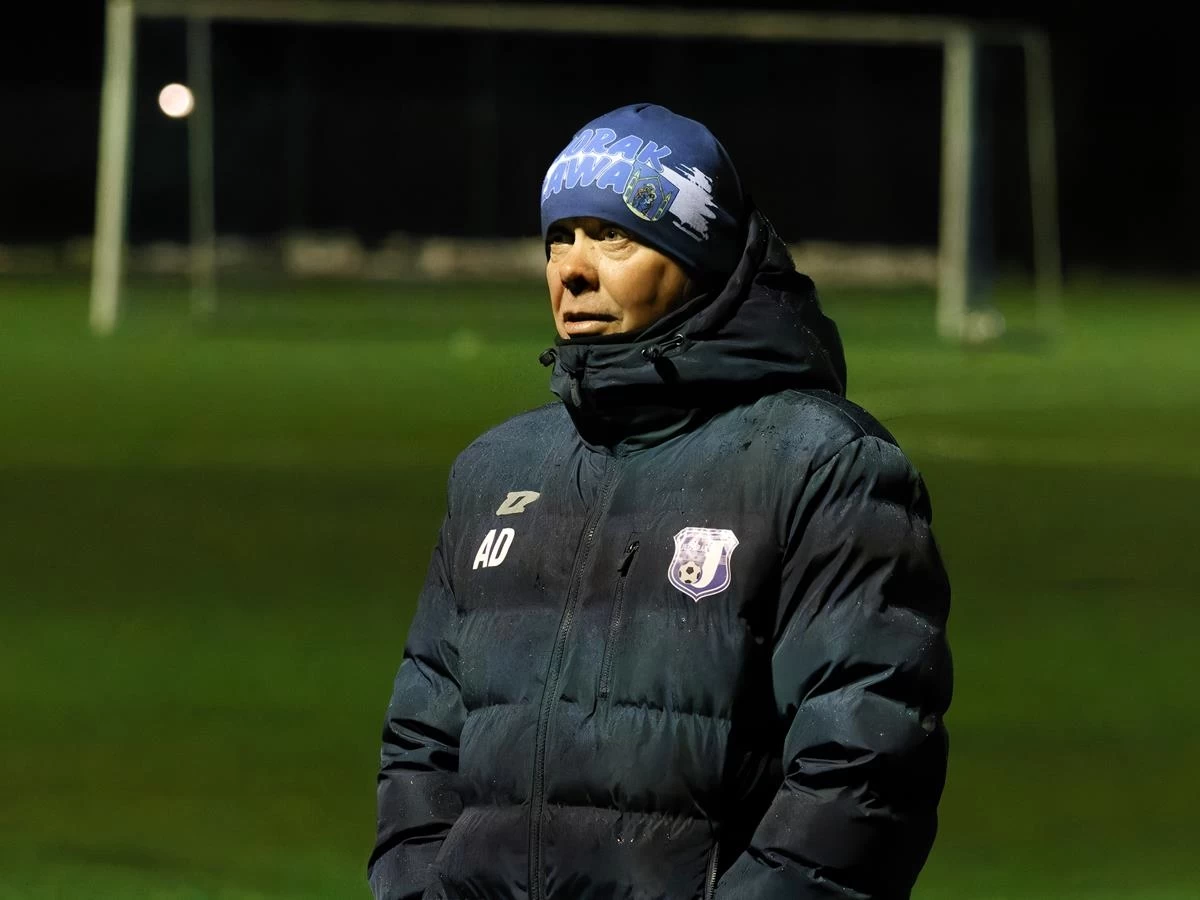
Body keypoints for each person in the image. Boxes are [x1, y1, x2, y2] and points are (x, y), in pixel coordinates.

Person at [368, 102, 953, 900]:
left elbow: (862, 774)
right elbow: (421, 747)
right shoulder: (494, 470)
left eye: (613, 235)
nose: (573, 269)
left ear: (698, 254)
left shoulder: (823, 466)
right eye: (559, 237)